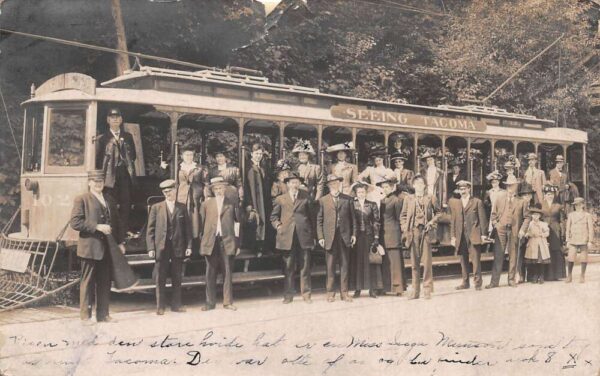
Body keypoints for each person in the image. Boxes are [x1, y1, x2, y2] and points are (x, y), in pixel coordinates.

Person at [70, 170, 126, 323]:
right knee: (87, 282)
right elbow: (75, 222)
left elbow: (118, 222)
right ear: (89, 183)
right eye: (95, 181)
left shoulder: (109, 199)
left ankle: (103, 315)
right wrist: (97, 226)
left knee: (104, 282)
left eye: (100, 181)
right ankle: (85, 317)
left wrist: (120, 242)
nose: (98, 183)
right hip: (89, 248)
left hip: (107, 248)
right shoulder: (82, 199)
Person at [146, 179, 193, 315]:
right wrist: (150, 248)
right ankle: (160, 306)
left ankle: (176, 305)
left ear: (175, 191)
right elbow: (150, 230)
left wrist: (189, 246)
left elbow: (187, 230)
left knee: (177, 277)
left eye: (170, 191)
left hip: (177, 247)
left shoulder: (182, 207)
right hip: (161, 247)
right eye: (165, 192)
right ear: (163, 193)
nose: (168, 194)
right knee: (160, 277)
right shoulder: (156, 208)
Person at [270, 172, 315, 304]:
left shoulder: (306, 197)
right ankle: (288, 295)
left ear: (299, 184)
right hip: (287, 237)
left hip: (304, 236)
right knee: (288, 267)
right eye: (292, 182)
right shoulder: (281, 199)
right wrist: (278, 226)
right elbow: (273, 217)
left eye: (297, 182)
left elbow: (312, 216)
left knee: (305, 266)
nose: (295, 185)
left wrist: (313, 236)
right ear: (288, 184)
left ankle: (306, 294)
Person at [199, 177, 240, 311]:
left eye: (220, 188)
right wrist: (202, 242)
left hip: (227, 241)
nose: (218, 190)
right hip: (211, 241)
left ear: (225, 189)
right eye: (215, 188)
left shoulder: (231, 203)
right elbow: (201, 224)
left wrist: (237, 244)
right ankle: (210, 303)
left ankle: (227, 302)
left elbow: (237, 225)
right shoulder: (206, 204)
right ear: (212, 190)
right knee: (210, 272)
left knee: (227, 272)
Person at [95, 107, 136, 234]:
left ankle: (123, 233)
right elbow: (98, 159)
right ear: (108, 120)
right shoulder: (102, 139)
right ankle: (111, 233)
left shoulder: (128, 137)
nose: (115, 120)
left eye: (118, 117)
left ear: (121, 120)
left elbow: (133, 155)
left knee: (125, 204)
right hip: (109, 177)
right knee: (110, 204)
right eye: (112, 118)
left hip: (125, 175)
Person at [317, 174, 357, 302]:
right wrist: (321, 237)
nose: (334, 185)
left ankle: (344, 293)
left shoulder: (348, 199)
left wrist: (354, 234)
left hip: (344, 237)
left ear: (339, 184)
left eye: (336, 183)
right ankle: (330, 293)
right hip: (330, 238)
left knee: (345, 266)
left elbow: (353, 220)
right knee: (330, 266)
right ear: (328, 186)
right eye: (331, 184)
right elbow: (319, 220)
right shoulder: (323, 200)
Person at [400, 175, 441, 299]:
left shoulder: (431, 198)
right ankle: (415, 291)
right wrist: (404, 228)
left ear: (424, 185)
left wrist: (431, 222)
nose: (419, 185)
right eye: (416, 183)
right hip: (413, 232)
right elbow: (403, 215)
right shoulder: (408, 199)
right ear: (413, 186)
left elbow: (439, 213)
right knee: (414, 263)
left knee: (427, 262)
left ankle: (427, 289)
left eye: (421, 183)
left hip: (426, 232)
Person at [487, 175, 530, 288]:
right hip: (501, 229)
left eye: (512, 185)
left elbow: (527, 217)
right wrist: (496, 225)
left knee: (513, 255)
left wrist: (522, 230)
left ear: (516, 186)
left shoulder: (521, 201)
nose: (510, 187)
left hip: (515, 230)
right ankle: (494, 282)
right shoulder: (499, 197)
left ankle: (511, 280)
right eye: (508, 185)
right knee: (498, 255)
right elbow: (493, 214)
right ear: (506, 186)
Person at [449, 180, 488, 290]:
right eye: (461, 189)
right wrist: (453, 236)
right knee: (463, 260)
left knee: (475, 260)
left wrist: (483, 235)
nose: (462, 191)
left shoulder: (477, 202)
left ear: (469, 189)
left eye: (464, 189)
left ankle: (478, 283)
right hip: (461, 236)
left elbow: (483, 220)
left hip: (473, 234)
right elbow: (453, 221)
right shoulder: (456, 203)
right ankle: (465, 282)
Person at [349, 183, 382, 298]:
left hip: (368, 235)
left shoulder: (372, 205)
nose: (361, 194)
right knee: (357, 262)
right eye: (359, 192)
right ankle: (357, 289)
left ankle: (372, 290)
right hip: (357, 237)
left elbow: (376, 221)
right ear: (356, 193)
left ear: (366, 193)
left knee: (370, 262)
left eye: (363, 192)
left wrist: (376, 237)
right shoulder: (352, 204)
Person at [378, 177, 406, 296]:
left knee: (395, 262)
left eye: (387, 187)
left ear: (392, 187)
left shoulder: (396, 200)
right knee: (386, 262)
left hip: (393, 234)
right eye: (383, 187)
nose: (385, 189)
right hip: (383, 234)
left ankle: (398, 288)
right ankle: (386, 287)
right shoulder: (383, 200)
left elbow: (399, 218)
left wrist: (400, 234)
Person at [172, 146, 206, 238]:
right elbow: (165, 177)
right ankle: (183, 241)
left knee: (195, 219)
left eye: (191, 155)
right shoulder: (177, 167)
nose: (189, 157)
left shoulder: (200, 168)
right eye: (186, 155)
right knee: (181, 218)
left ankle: (195, 240)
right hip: (181, 197)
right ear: (182, 156)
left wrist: (206, 197)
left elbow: (205, 183)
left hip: (195, 197)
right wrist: (162, 168)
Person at [245, 143, 271, 254]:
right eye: (256, 153)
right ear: (252, 154)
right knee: (256, 221)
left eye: (260, 154)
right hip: (254, 200)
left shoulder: (264, 166)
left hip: (264, 199)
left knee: (264, 221)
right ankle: (255, 248)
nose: (258, 156)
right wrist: (249, 202)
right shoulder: (247, 167)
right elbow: (246, 186)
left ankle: (263, 246)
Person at [540, 184, 566, 281]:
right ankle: (546, 275)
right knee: (546, 250)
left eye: (552, 194)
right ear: (545, 195)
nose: (550, 196)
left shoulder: (558, 206)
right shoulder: (541, 204)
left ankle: (556, 274)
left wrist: (562, 232)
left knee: (555, 250)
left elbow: (562, 220)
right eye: (548, 194)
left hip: (555, 229)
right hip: (543, 228)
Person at [565, 197, 593, 283]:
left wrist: (590, 241)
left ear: (583, 205)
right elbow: (568, 228)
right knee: (571, 258)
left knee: (583, 258)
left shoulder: (587, 215)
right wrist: (567, 240)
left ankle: (582, 275)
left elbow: (590, 229)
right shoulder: (571, 215)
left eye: (579, 205)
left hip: (584, 239)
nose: (577, 206)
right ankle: (569, 275)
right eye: (576, 205)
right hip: (573, 239)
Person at [520, 204, 551, 284]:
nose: (535, 216)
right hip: (532, 243)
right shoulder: (529, 224)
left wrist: (542, 234)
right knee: (534, 261)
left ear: (540, 216)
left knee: (540, 261)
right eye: (534, 215)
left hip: (541, 243)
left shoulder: (543, 224)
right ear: (532, 216)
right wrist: (529, 234)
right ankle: (535, 276)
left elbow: (547, 232)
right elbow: (526, 233)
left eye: (537, 215)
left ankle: (541, 276)